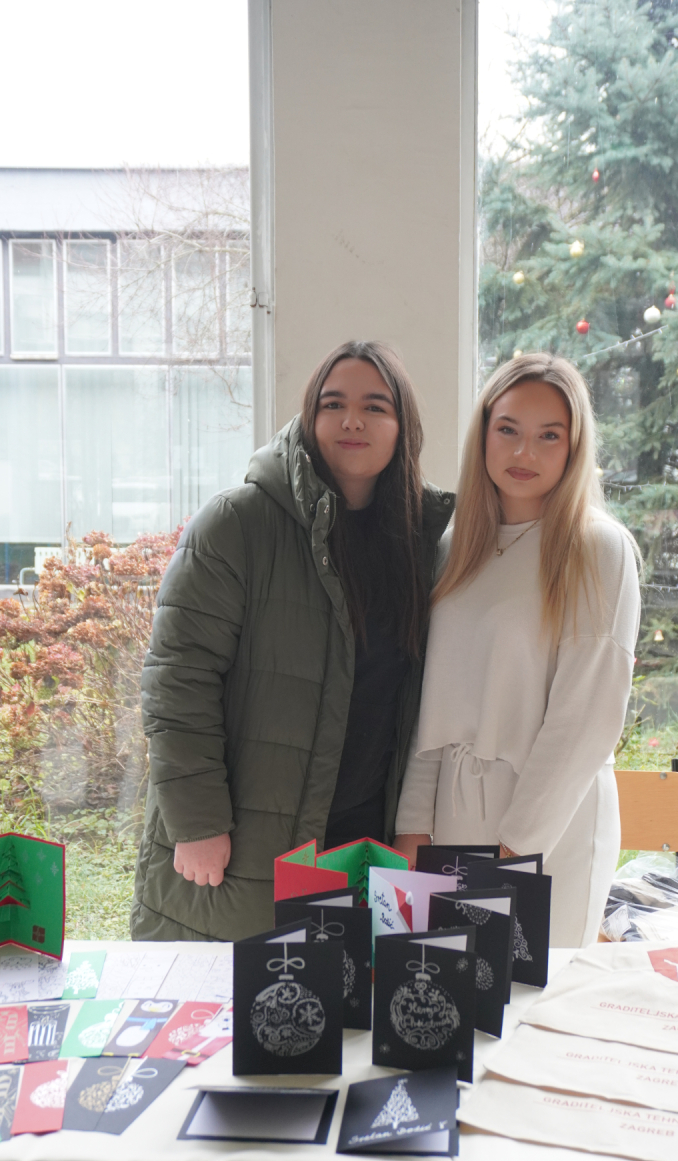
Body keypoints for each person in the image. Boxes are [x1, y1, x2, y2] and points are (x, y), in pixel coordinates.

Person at [131, 341, 453, 942]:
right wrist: (197, 821)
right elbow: (178, 678)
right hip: (250, 840)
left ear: (404, 427)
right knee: (246, 993)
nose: (352, 420)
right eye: (333, 404)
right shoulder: (237, 523)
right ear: (309, 417)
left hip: (367, 839)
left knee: (349, 996)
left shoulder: (424, 543)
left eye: (375, 407)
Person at [393, 353, 641, 947]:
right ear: (484, 432)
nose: (524, 452)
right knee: (456, 990)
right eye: (508, 429)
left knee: (542, 994)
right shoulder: (457, 544)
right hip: (453, 816)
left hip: (551, 823)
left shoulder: (596, 549)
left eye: (548, 436)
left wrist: (514, 854)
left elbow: (584, 722)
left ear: (574, 446)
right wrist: (413, 826)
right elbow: (433, 698)